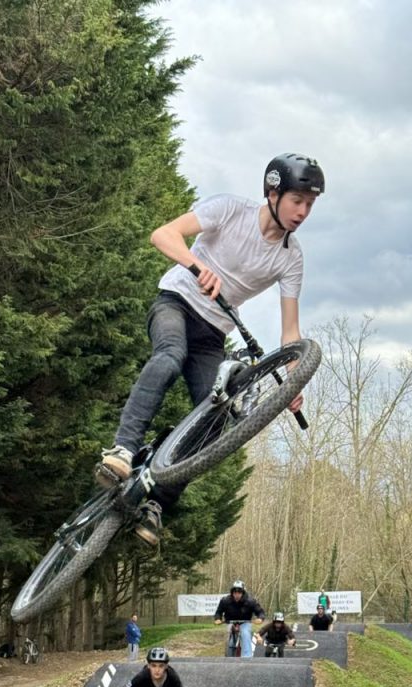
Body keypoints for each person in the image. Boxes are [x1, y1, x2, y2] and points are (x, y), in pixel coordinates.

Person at [95, 153, 325, 546]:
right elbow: (162, 234)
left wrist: (293, 381)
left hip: (212, 332)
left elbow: (291, 330)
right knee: (169, 357)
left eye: (310, 205)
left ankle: (157, 502)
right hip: (176, 304)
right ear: (273, 192)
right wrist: (197, 266)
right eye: (297, 201)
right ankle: (122, 449)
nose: (303, 212)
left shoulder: (291, 257)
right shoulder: (229, 210)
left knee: (215, 419)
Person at [214, 579, 264, 658]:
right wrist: (218, 619)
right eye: (235, 592)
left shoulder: (250, 601)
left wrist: (260, 618)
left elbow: (260, 612)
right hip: (230, 622)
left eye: (239, 592)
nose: (237, 594)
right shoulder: (225, 601)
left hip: (245, 622)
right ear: (232, 592)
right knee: (228, 633)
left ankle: (247, 657)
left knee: (245, 633)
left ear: (243, 593)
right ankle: (229, 653)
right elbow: (218, 612)